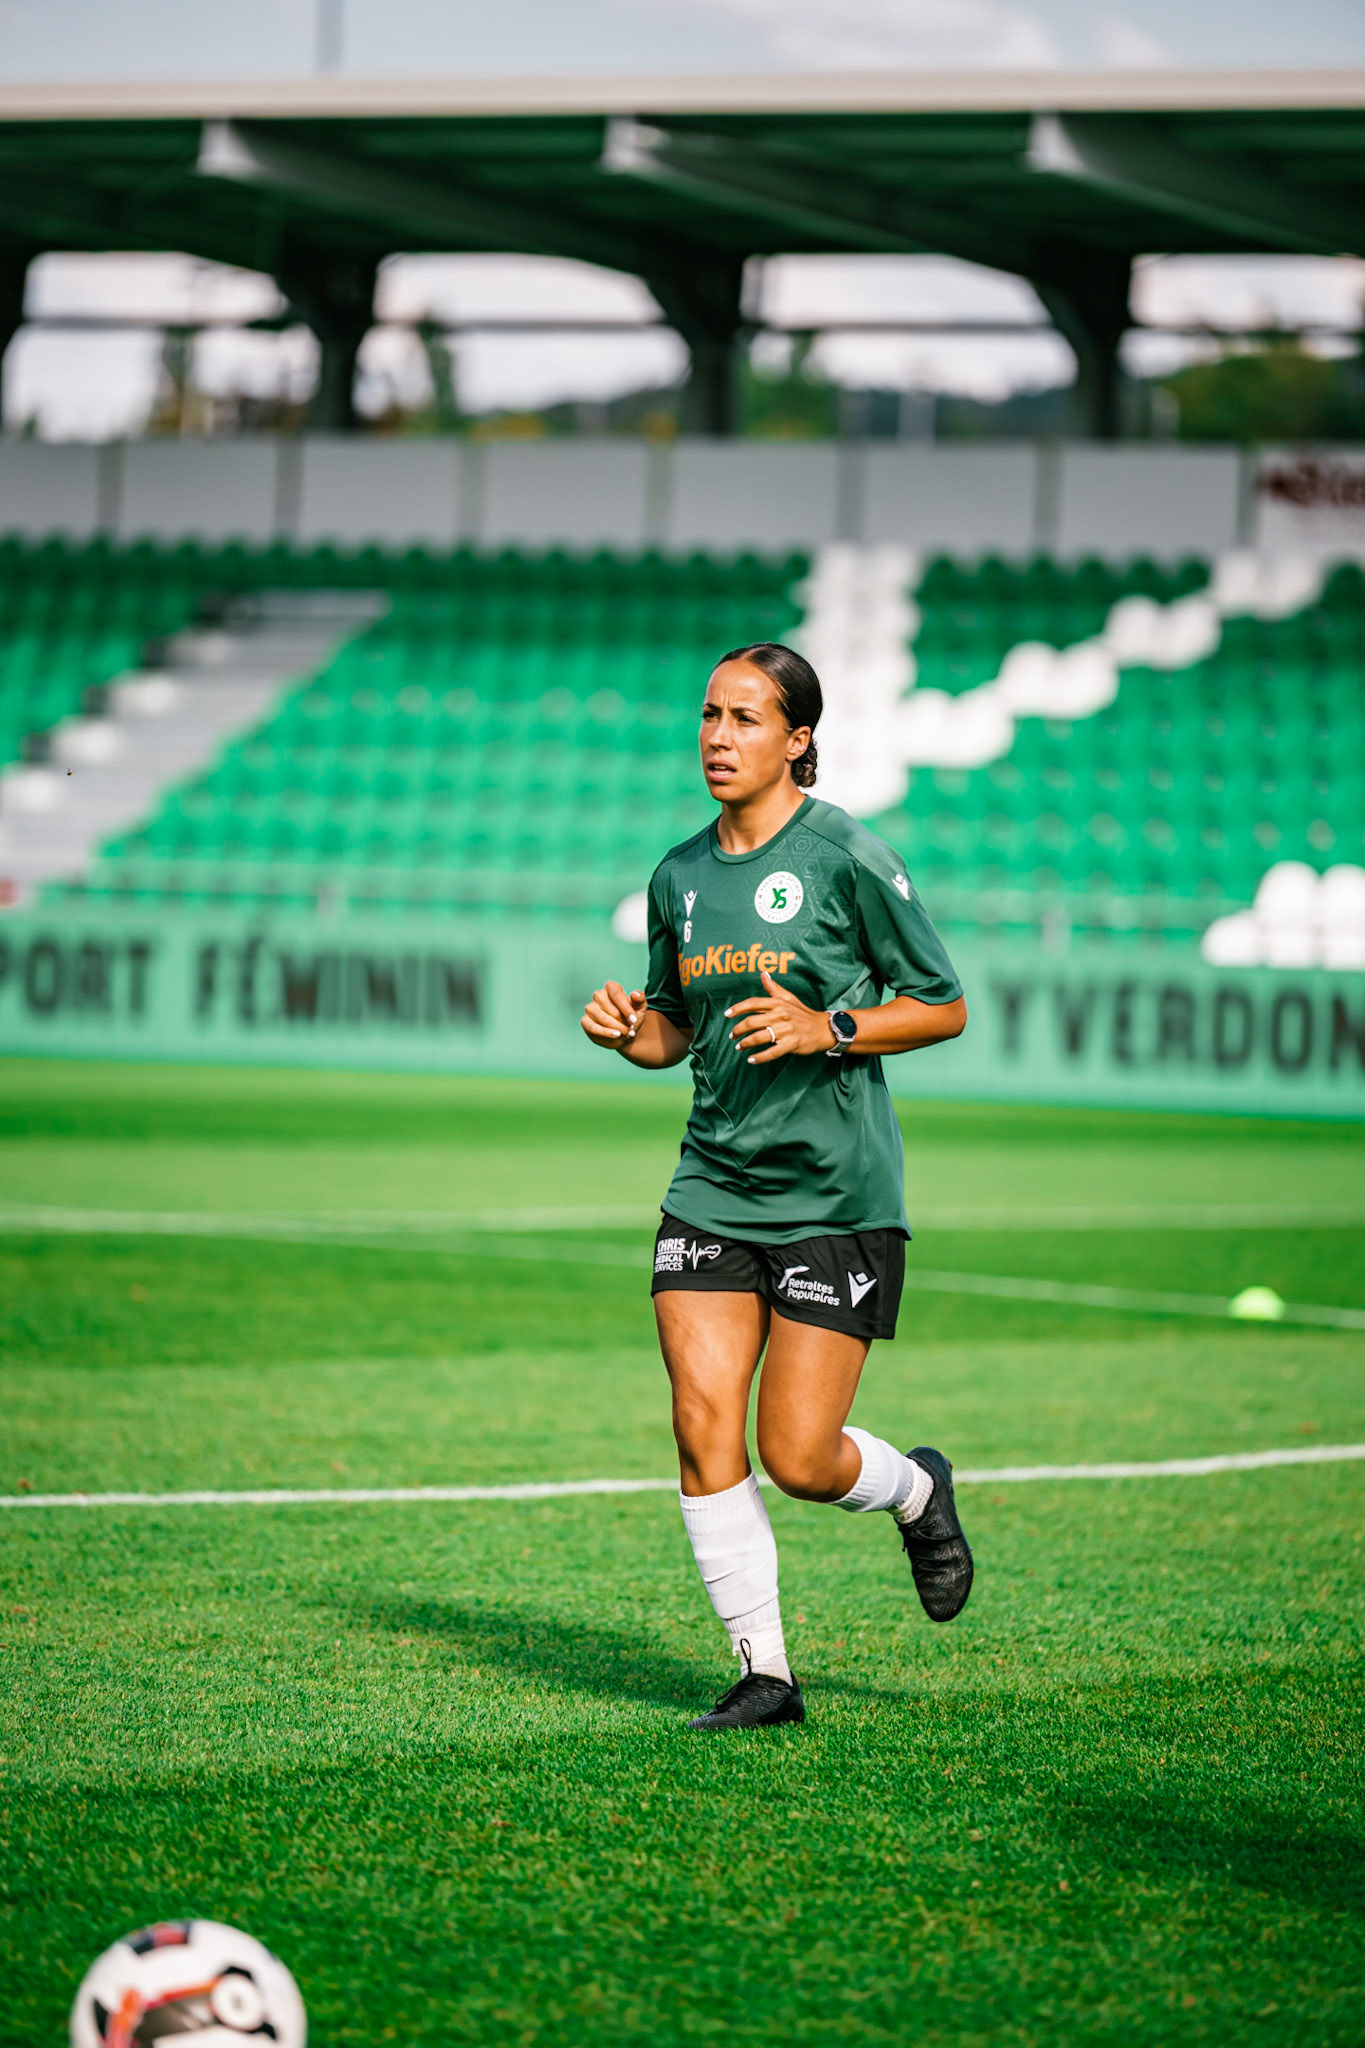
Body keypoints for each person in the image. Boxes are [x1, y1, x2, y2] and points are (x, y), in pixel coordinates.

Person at [579, 642, 970, 1731]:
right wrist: (630, 1033)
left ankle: (918, 1489)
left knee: (799, 1455)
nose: (717, 735)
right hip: (711, 1182)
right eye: (709, 713)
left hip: (836, 1196)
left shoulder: (844, 853)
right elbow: (672, 1028)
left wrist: (830, 1024)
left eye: (746, 717)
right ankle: (766, 1674)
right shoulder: (678, 875)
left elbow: (942, 1003)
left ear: (797, 737)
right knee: (705, 1423)